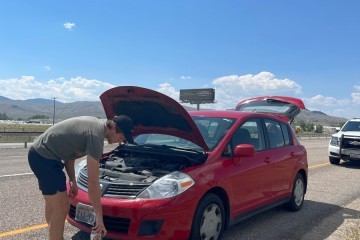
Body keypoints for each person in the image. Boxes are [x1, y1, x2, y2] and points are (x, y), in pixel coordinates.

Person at [28, 115, 134, 240]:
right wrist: (99, 218)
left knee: (53, 204)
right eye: (122, 137)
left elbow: (69, 153)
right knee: (62, 208)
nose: (121, 141)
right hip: (44, 158)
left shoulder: (94, 125)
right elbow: (93, 182)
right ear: (114, 127)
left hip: (41, 155)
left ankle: (54, 235)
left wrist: (73, 180)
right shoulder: (96, 138)